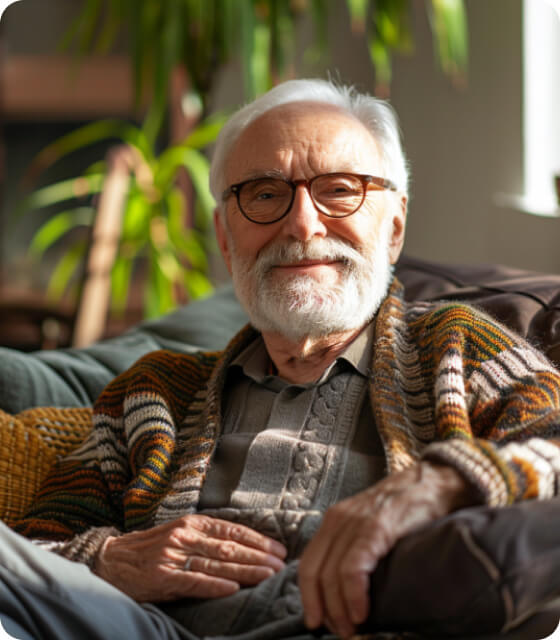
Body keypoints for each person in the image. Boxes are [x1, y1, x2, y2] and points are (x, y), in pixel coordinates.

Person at [2, 77, 560, 640]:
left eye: (340, 190)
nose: (302, 224)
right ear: (225, 235)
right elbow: (37, 545)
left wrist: (430, 486)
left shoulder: (456, 347)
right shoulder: (152, 391)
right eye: (265, 194)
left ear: (394, 226)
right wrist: (112, 559)